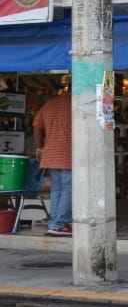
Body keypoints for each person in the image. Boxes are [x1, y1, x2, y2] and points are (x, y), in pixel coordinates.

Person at [32, 89, 72, 236]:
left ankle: (54, 223)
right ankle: (61, 224)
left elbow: (36, 127)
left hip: (50, 154)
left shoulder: (49, 104)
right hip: (68, 152)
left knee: (57, 189)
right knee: (68, 188)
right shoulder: (77, 103)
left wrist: (39, 147)